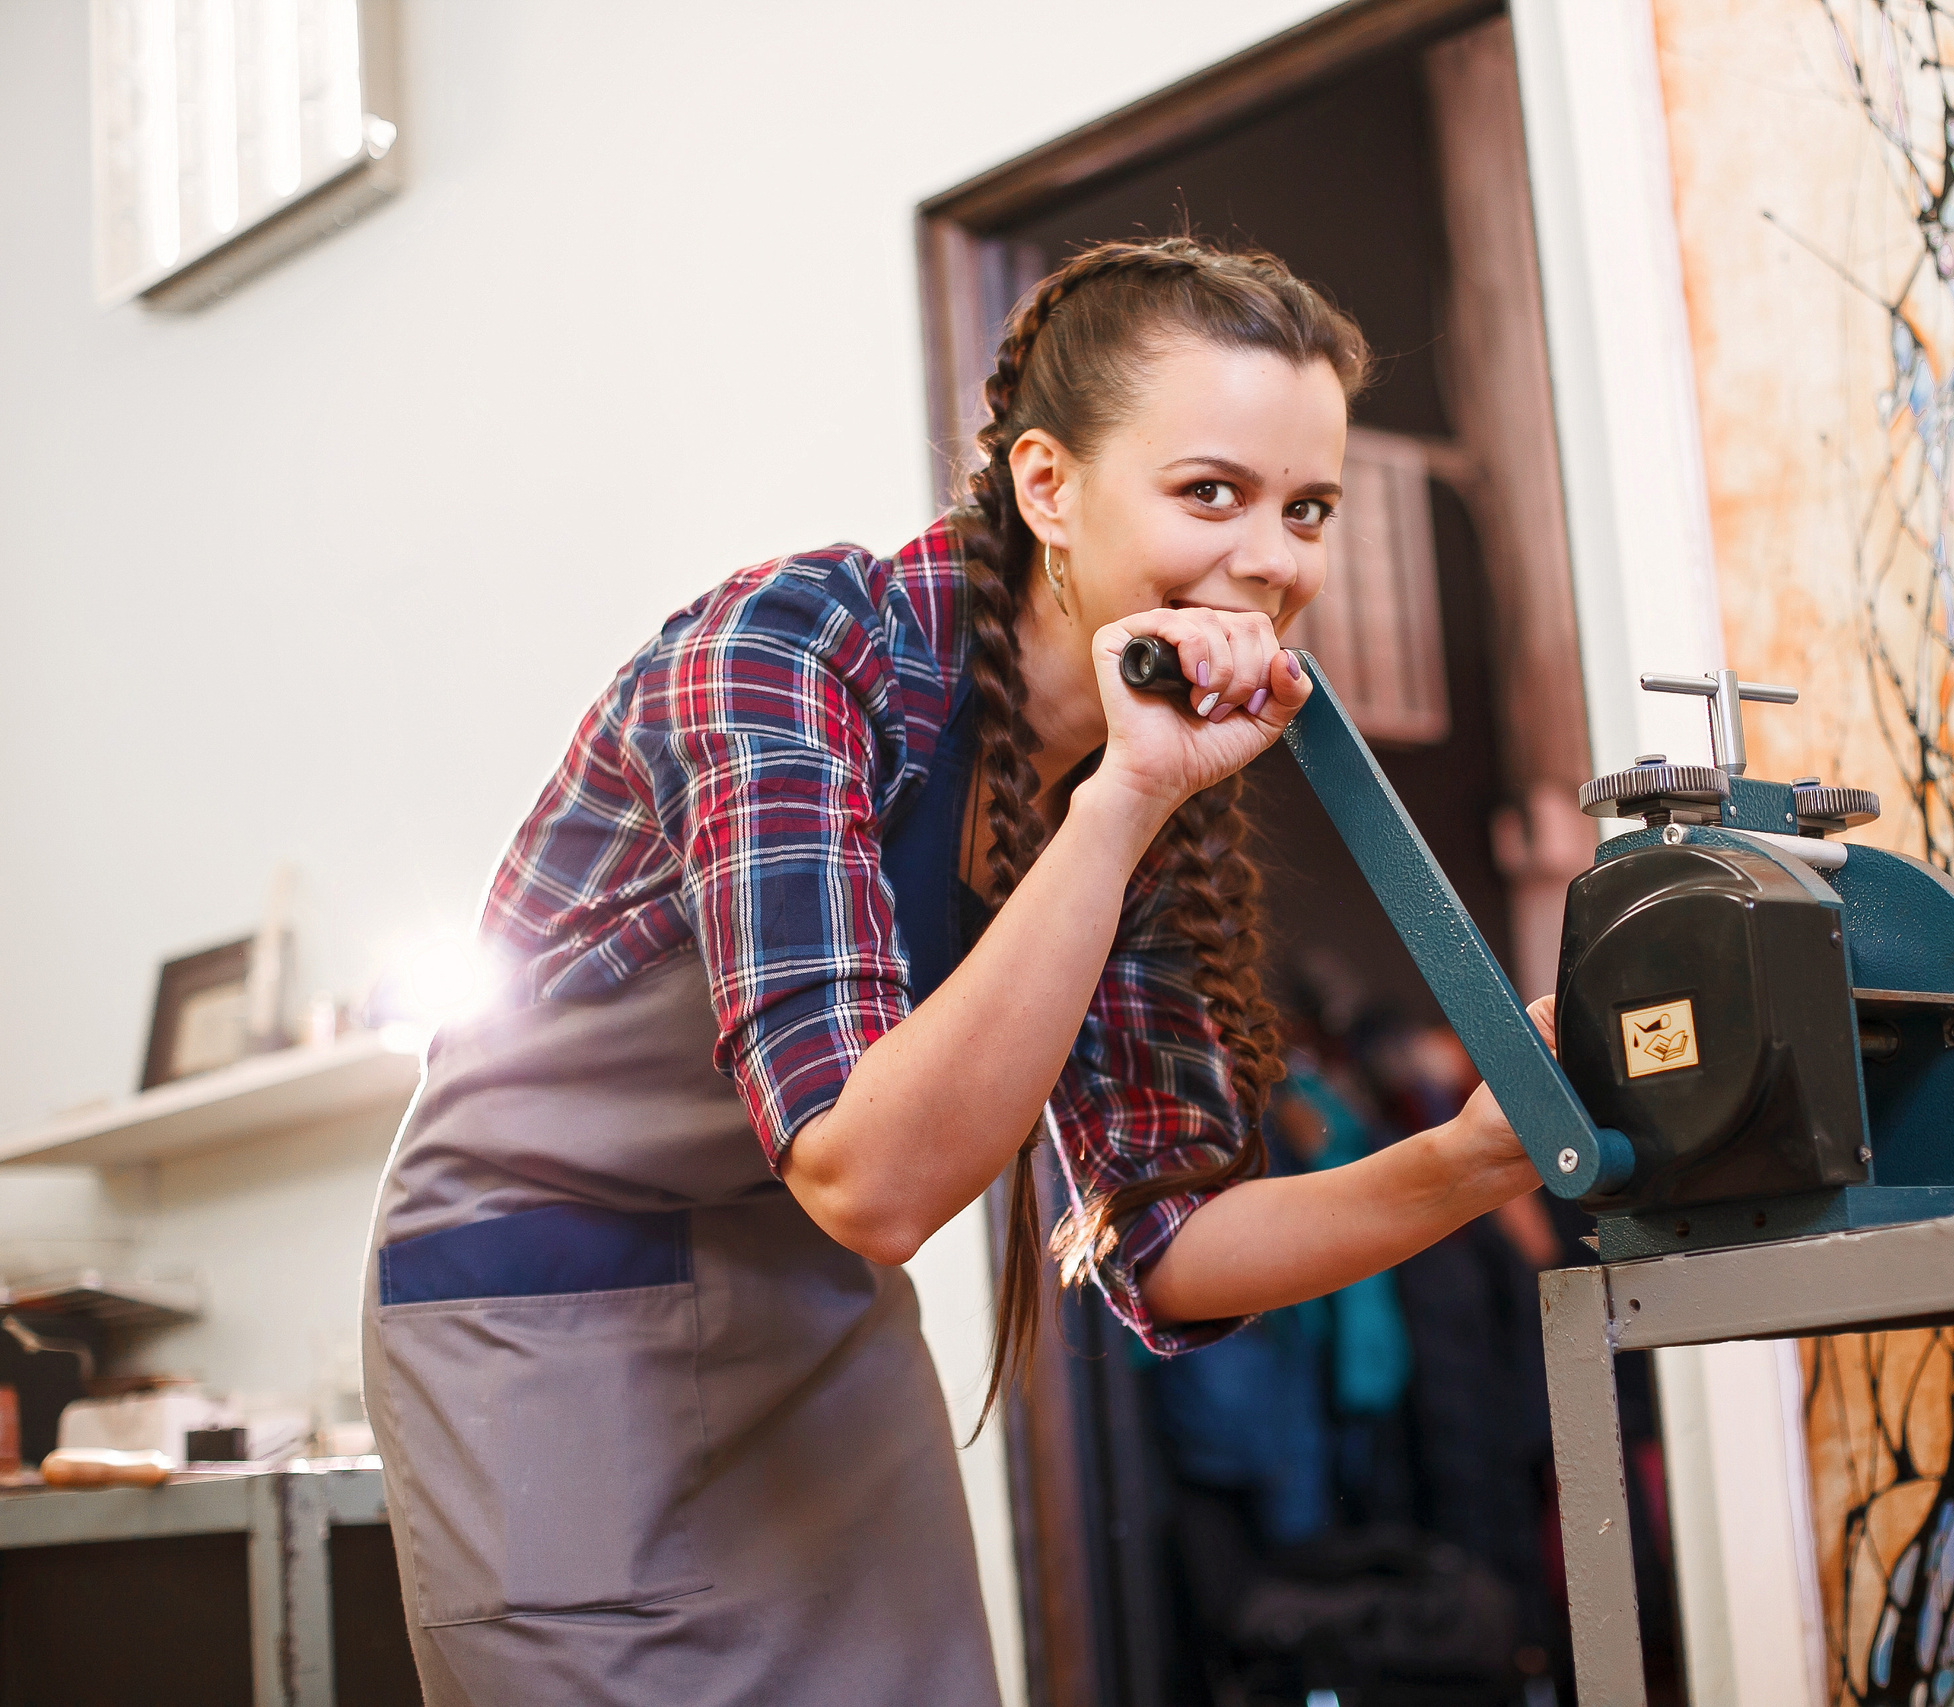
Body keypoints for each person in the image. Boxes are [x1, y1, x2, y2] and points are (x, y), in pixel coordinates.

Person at [359, 237, 1555, 1704]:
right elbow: (873, 1180)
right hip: (543, 1322)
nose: (1271, 559)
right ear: (1046, 484)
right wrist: (1117, 808)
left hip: (805, 1325)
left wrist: (1469, 1158)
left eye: (1307, 508)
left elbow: (1169, 1254)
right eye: (1211, 493)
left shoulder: (1130, 783)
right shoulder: (787, 657)